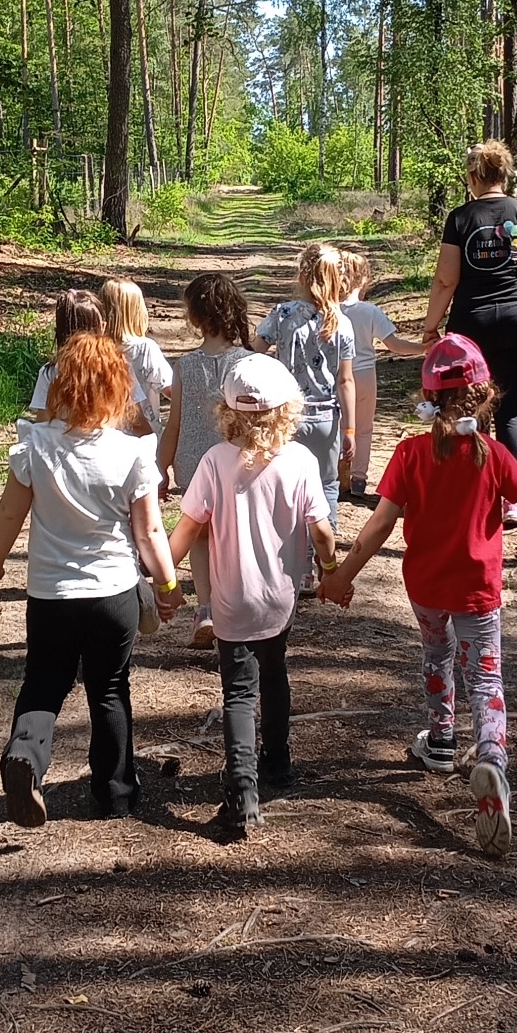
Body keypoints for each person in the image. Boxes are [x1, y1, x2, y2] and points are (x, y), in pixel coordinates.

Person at [319, 333, 517, 857]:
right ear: (485, 393)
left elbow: (379, 525)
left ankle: (441, 742)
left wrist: (342, 575)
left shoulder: (409, 452)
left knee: (435, 654)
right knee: (486, 676)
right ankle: (491, 757)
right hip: (478, 589)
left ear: (426, 397)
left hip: (426, 586)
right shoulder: (492, 454)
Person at [0, 332, 182, 827]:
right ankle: (115, 791)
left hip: (50, 594)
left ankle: (26, 752)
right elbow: (151, 531)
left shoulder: (35, 447)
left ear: (60, 387)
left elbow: (8, 516)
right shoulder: (131, 453)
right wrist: (168, 586)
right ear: (118, 387)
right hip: (112, 594)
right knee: (109, 688)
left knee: (45, 679)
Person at [167, 353, 337, 839]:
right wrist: (330, 570)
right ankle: (278, 761)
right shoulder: (301, 462)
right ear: (287, 410)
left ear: (227, 412)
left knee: (238, 692)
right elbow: (322, 532)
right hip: (279, 598)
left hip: (229, 601)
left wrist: (165, 583)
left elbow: (187, 530)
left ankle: (242, 791)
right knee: (275, 673)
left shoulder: (215, 462)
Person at [419, 140, 517, 527]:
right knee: (515, 411)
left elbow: (447, 279)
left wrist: (431, 326)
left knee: (472, 407)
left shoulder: (460, 218)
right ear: (504, 174)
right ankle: (514, 500)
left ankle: (477, 490)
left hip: (472, 326)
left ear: (472, 178)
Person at [155, 271, 252, 649]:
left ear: (194, 317)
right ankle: (236, 607)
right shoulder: (247, 363)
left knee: (199, 536)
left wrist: (161, 468)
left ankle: (207, 609)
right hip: (236, 462)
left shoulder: (185, 365)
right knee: (235, 534)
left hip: (194, 463)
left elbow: (173, 423)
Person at [255, 241, 356, 528]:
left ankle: (290, 557)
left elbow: (254, 352)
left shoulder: (282, 315)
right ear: (339, 280)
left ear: (302, 276)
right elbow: (346, 381)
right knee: (326, 485)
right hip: (326, 419)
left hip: (287, 416)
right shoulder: (342, 324)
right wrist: (350, 429)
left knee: (286, 484)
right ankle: (327, 556)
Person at [338, 247, 422, 506]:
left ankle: (335, 477)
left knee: (337, 426)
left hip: (336, 374)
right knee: (363, 429)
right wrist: (424, 348)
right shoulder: (370, 311)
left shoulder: (328, 311)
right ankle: (359, 480)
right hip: (364, 374)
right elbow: (394, 345)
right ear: (364, 280)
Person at [100, 278, 172, 440]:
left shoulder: (97, 348)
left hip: (106, 438)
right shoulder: (145, 348)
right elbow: (170, 390)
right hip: (144, 439)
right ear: (137, 311)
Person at [28, 289, 106, 417]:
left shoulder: (50, 372)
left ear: (59, 331)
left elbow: (42, 422)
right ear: (102, 328)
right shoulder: (113, 370)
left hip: (58, 437)